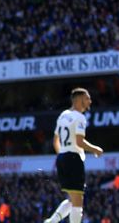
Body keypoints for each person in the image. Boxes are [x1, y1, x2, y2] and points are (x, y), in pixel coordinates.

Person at [44, 88, 103, 223]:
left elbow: (55, 141)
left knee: (72, 198)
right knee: (78, 201)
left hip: (62, 157)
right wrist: (95, 149)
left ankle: (51, 221)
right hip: (73, 158)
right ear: (78, 100)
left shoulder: (63, 114)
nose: (90, 101)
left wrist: (62, 156)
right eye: (87, 98)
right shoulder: (80, 117)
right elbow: (79, 141)